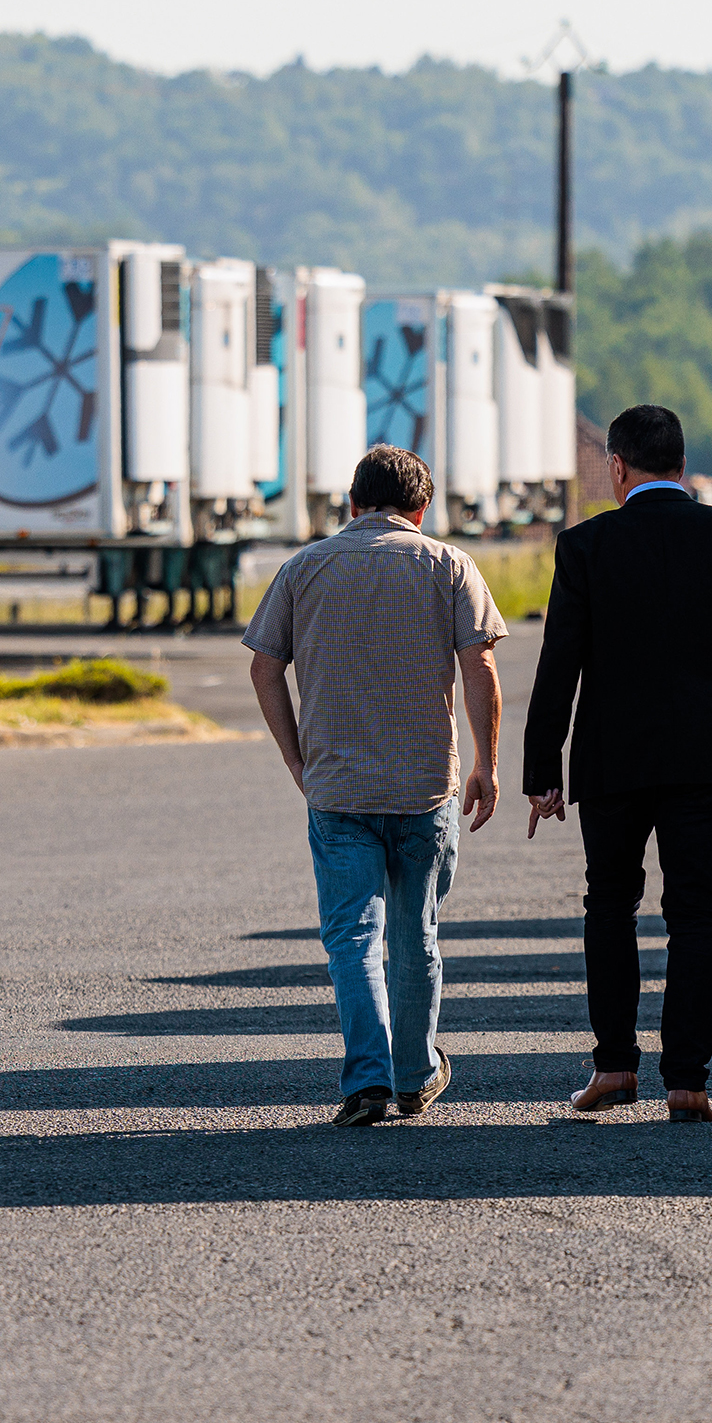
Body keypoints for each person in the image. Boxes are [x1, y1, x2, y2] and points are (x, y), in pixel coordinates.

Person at [521, 404, 712, 1123]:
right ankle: (688, 1082)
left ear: (617, 468)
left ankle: (613, 1067)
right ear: (681, 463)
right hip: (709, 757)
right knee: (696, 916)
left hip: (613, 759)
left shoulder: (585, 545)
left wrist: (542, 771)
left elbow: (559, 666)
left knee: (609, 905)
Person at [245, 445, 506, 1127]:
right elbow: (479, 666)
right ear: (421, 508)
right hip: (425, 785)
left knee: (352, 938)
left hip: (337, 788)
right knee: (415, 934)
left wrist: (295, 756)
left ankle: (365, 1079)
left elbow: (264, 667)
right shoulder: (450, 565)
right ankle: (415, 1073)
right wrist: (486, 761)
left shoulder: (304, 567)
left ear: (352, 504)